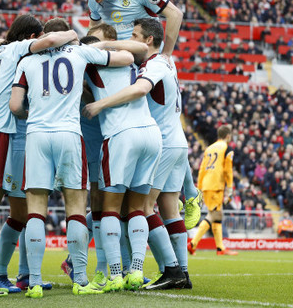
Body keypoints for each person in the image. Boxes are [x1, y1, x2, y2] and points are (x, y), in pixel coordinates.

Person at [9, 18, 134, 298]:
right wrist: (105, 44)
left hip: (37, 136)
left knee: (36, 211)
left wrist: (32, 116)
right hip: (69, 134)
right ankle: (80, 279)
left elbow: (15, 105)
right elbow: (126, 57)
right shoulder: (80, 52)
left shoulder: (27, 61)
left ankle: (36, 282)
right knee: (76, 208)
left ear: (44, 36)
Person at [0, 14, 78, 299]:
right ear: (29, 38)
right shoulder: (18, 51)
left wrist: (6, 39)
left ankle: (7, 276)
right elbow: (49, 40)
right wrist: (73, 34)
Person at [82, 18, 192, 290]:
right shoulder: (160, 61)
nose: (129, 39)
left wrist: (99, 104)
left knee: (129, 208)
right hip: (164, 137)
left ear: (147, 41)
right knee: (163, 209)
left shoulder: (151, 65)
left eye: (134, 35)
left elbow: (141, 88)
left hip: (151, 138)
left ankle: (158, 270)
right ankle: (174, 271)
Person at [82, 24, 161, 292]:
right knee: (138, 208)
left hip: (120, 135)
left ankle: (115, 274)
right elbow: (140, 48)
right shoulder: (129, 58)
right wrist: (110, 44)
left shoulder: (88, 63)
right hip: (151, 133)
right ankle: (136, 271)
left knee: (110, 209)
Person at [188, 124, 238, 256]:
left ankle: (220, 248)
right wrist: (230, 188)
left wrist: (199, 186)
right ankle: (193, 243)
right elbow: (228, 170)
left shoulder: (209, 148)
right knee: (213, 215)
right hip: (216, 186)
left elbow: (202, 169)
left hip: (206, 185)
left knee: (217, 215)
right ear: (228, 136)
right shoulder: (227, 148)